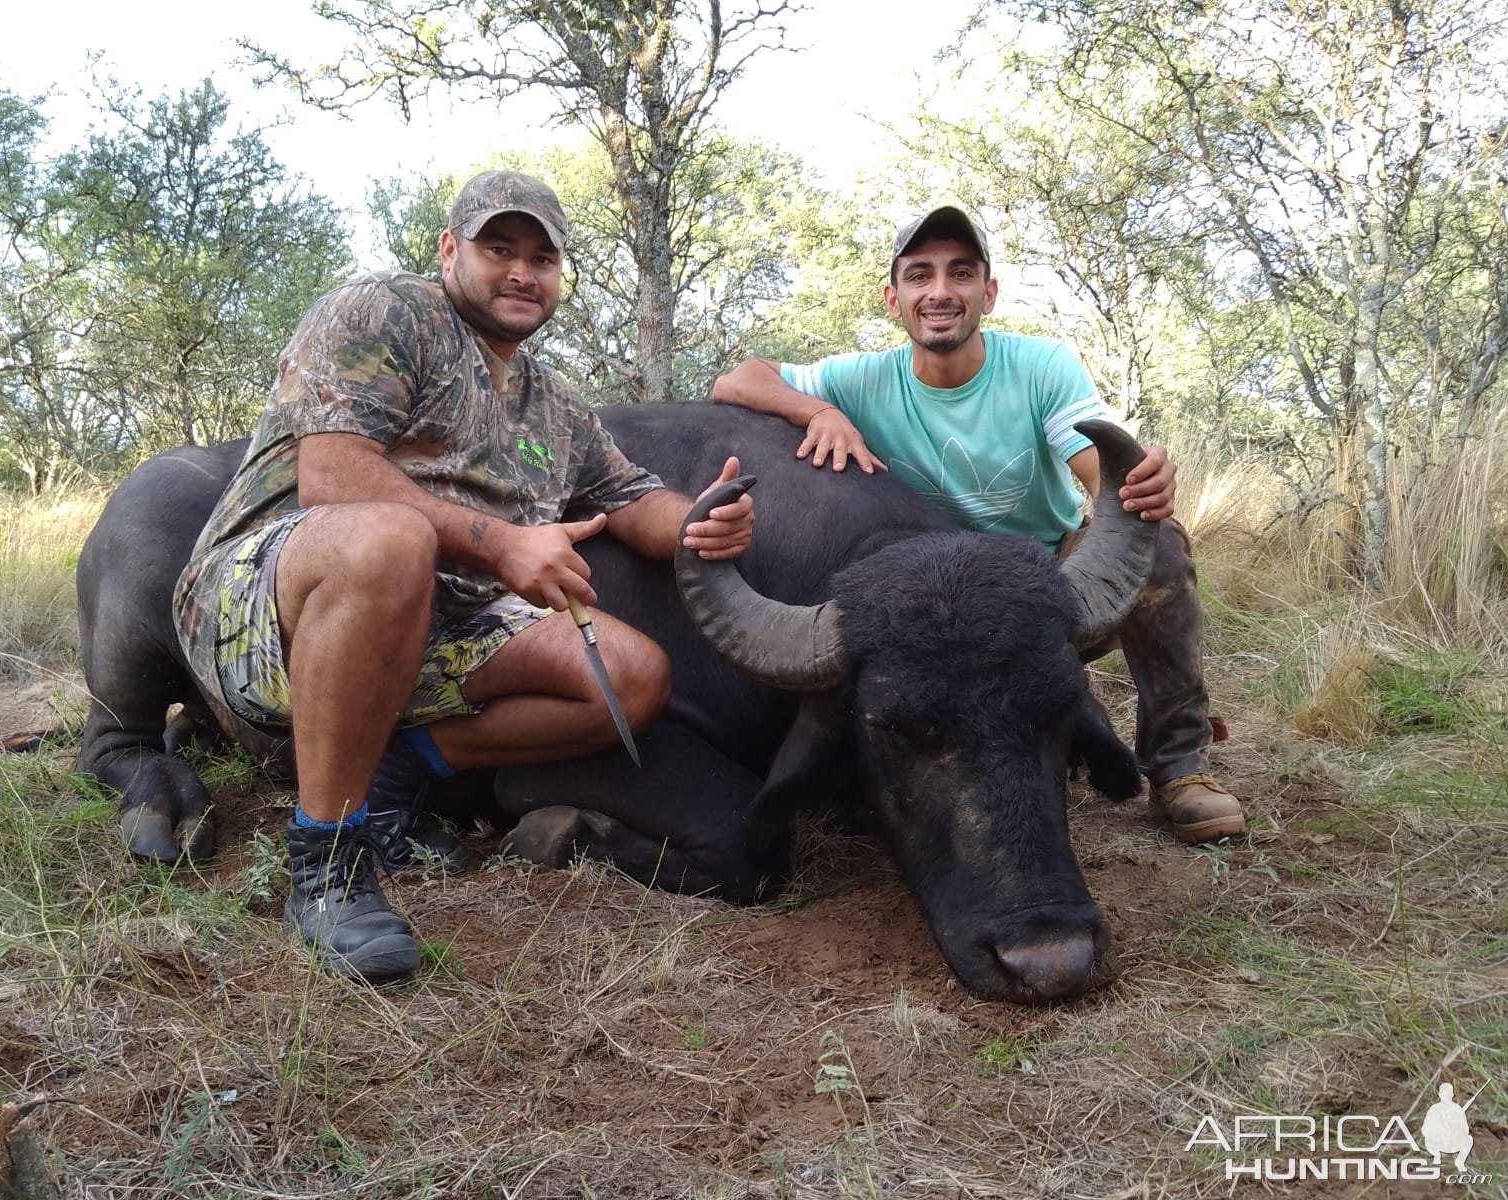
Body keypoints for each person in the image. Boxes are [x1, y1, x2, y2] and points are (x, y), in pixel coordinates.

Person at [173, 170, 755, 981]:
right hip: (267, 605)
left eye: (543, 258)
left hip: (439, 629)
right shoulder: (383, 313)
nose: (523, 272)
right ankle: (328, 865)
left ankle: (396, 782)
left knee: (631, 675)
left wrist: (700, 524)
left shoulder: (553, 400)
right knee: (389, 543)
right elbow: (333, 480)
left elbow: (631, 498)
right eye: (499, 248)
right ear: (451, 250)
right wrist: (504, 544)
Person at [711, 204, 1244, 845]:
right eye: (920, 275)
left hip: (1041, 592)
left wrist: (1139, 487)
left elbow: (1102, 474)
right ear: (894, 298)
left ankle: (1179, 766)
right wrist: (817, 409)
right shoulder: (862, 377)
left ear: (987, 294)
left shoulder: (1041, 366)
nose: (940, 292)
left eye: (961, 274)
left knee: (1155, 540)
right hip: (931, 616)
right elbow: (738, 379)